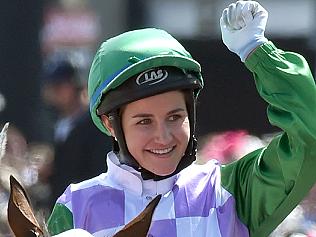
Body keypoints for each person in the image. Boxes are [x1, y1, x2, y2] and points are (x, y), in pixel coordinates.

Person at [47, 1, 316, 236]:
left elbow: (309, 134)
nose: (163, 136)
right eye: (144, 121)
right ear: (109, 123)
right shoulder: (74, 207)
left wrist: (257, 52)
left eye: (175, 117)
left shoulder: (229, 192)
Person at [41, 58, 112, 209]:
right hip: (65, 205)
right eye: (52, 86)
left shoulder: (95, 124)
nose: (54, 92)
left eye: (59, 86)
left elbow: (98, 169)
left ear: (76, 84)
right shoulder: (60, 122)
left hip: (88, 206)